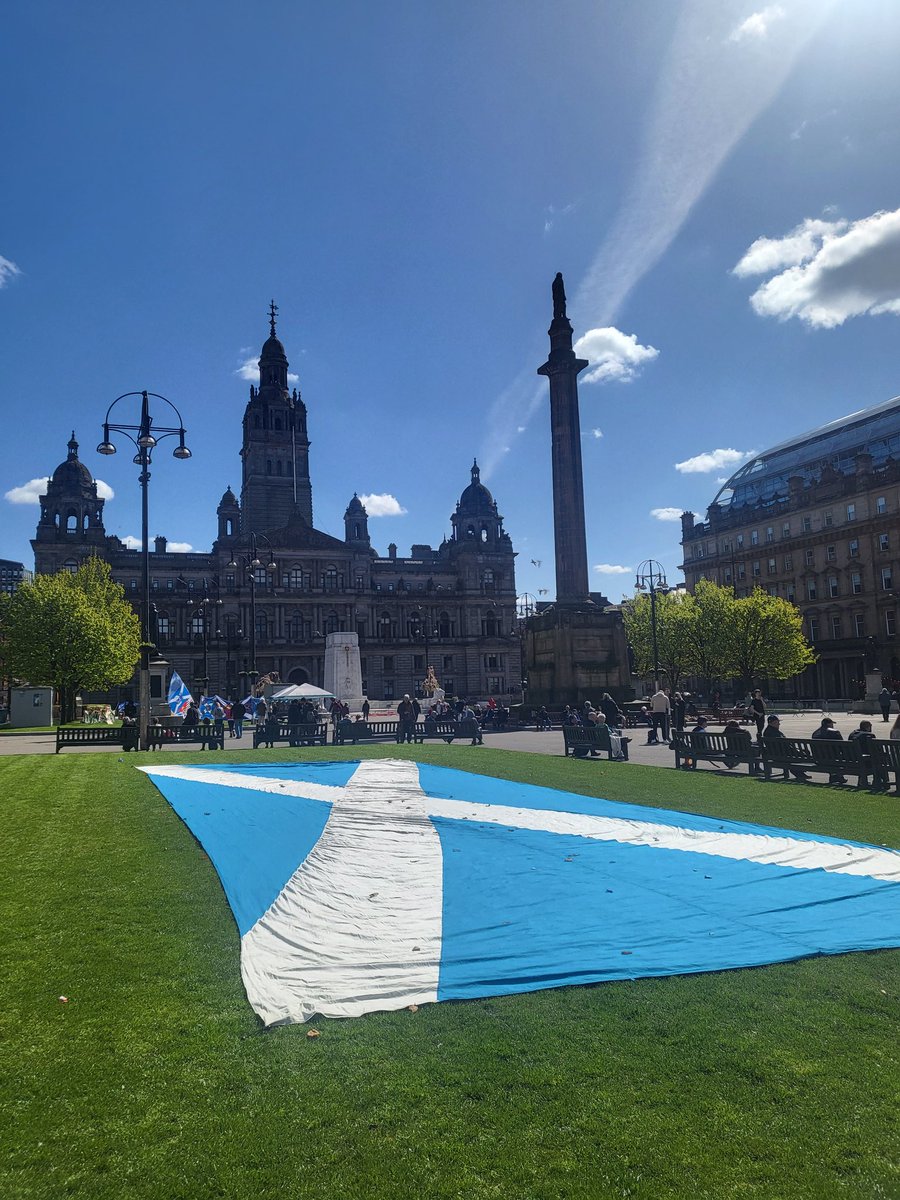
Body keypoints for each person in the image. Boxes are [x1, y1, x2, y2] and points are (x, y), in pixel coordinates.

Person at [763, 715, 811, 781]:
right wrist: (797, 751)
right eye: (777, 722)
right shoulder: (774, 733)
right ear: (771, 723)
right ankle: (796, 771)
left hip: (777, 754)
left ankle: (797, 772)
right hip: (783, 755)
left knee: (803, 754)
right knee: (806, 755)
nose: (779, 724)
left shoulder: (768, 731)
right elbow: (785, 745)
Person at [811, 716, 846, 784]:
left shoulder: (815, 733)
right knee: (838, 755)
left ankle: (835, 776)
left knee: (831, 754)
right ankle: (838, 776)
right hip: (833, 759)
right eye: (832, 724)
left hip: (819, 760)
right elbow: (842, 747)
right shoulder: (835, 732)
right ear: (829, 724)